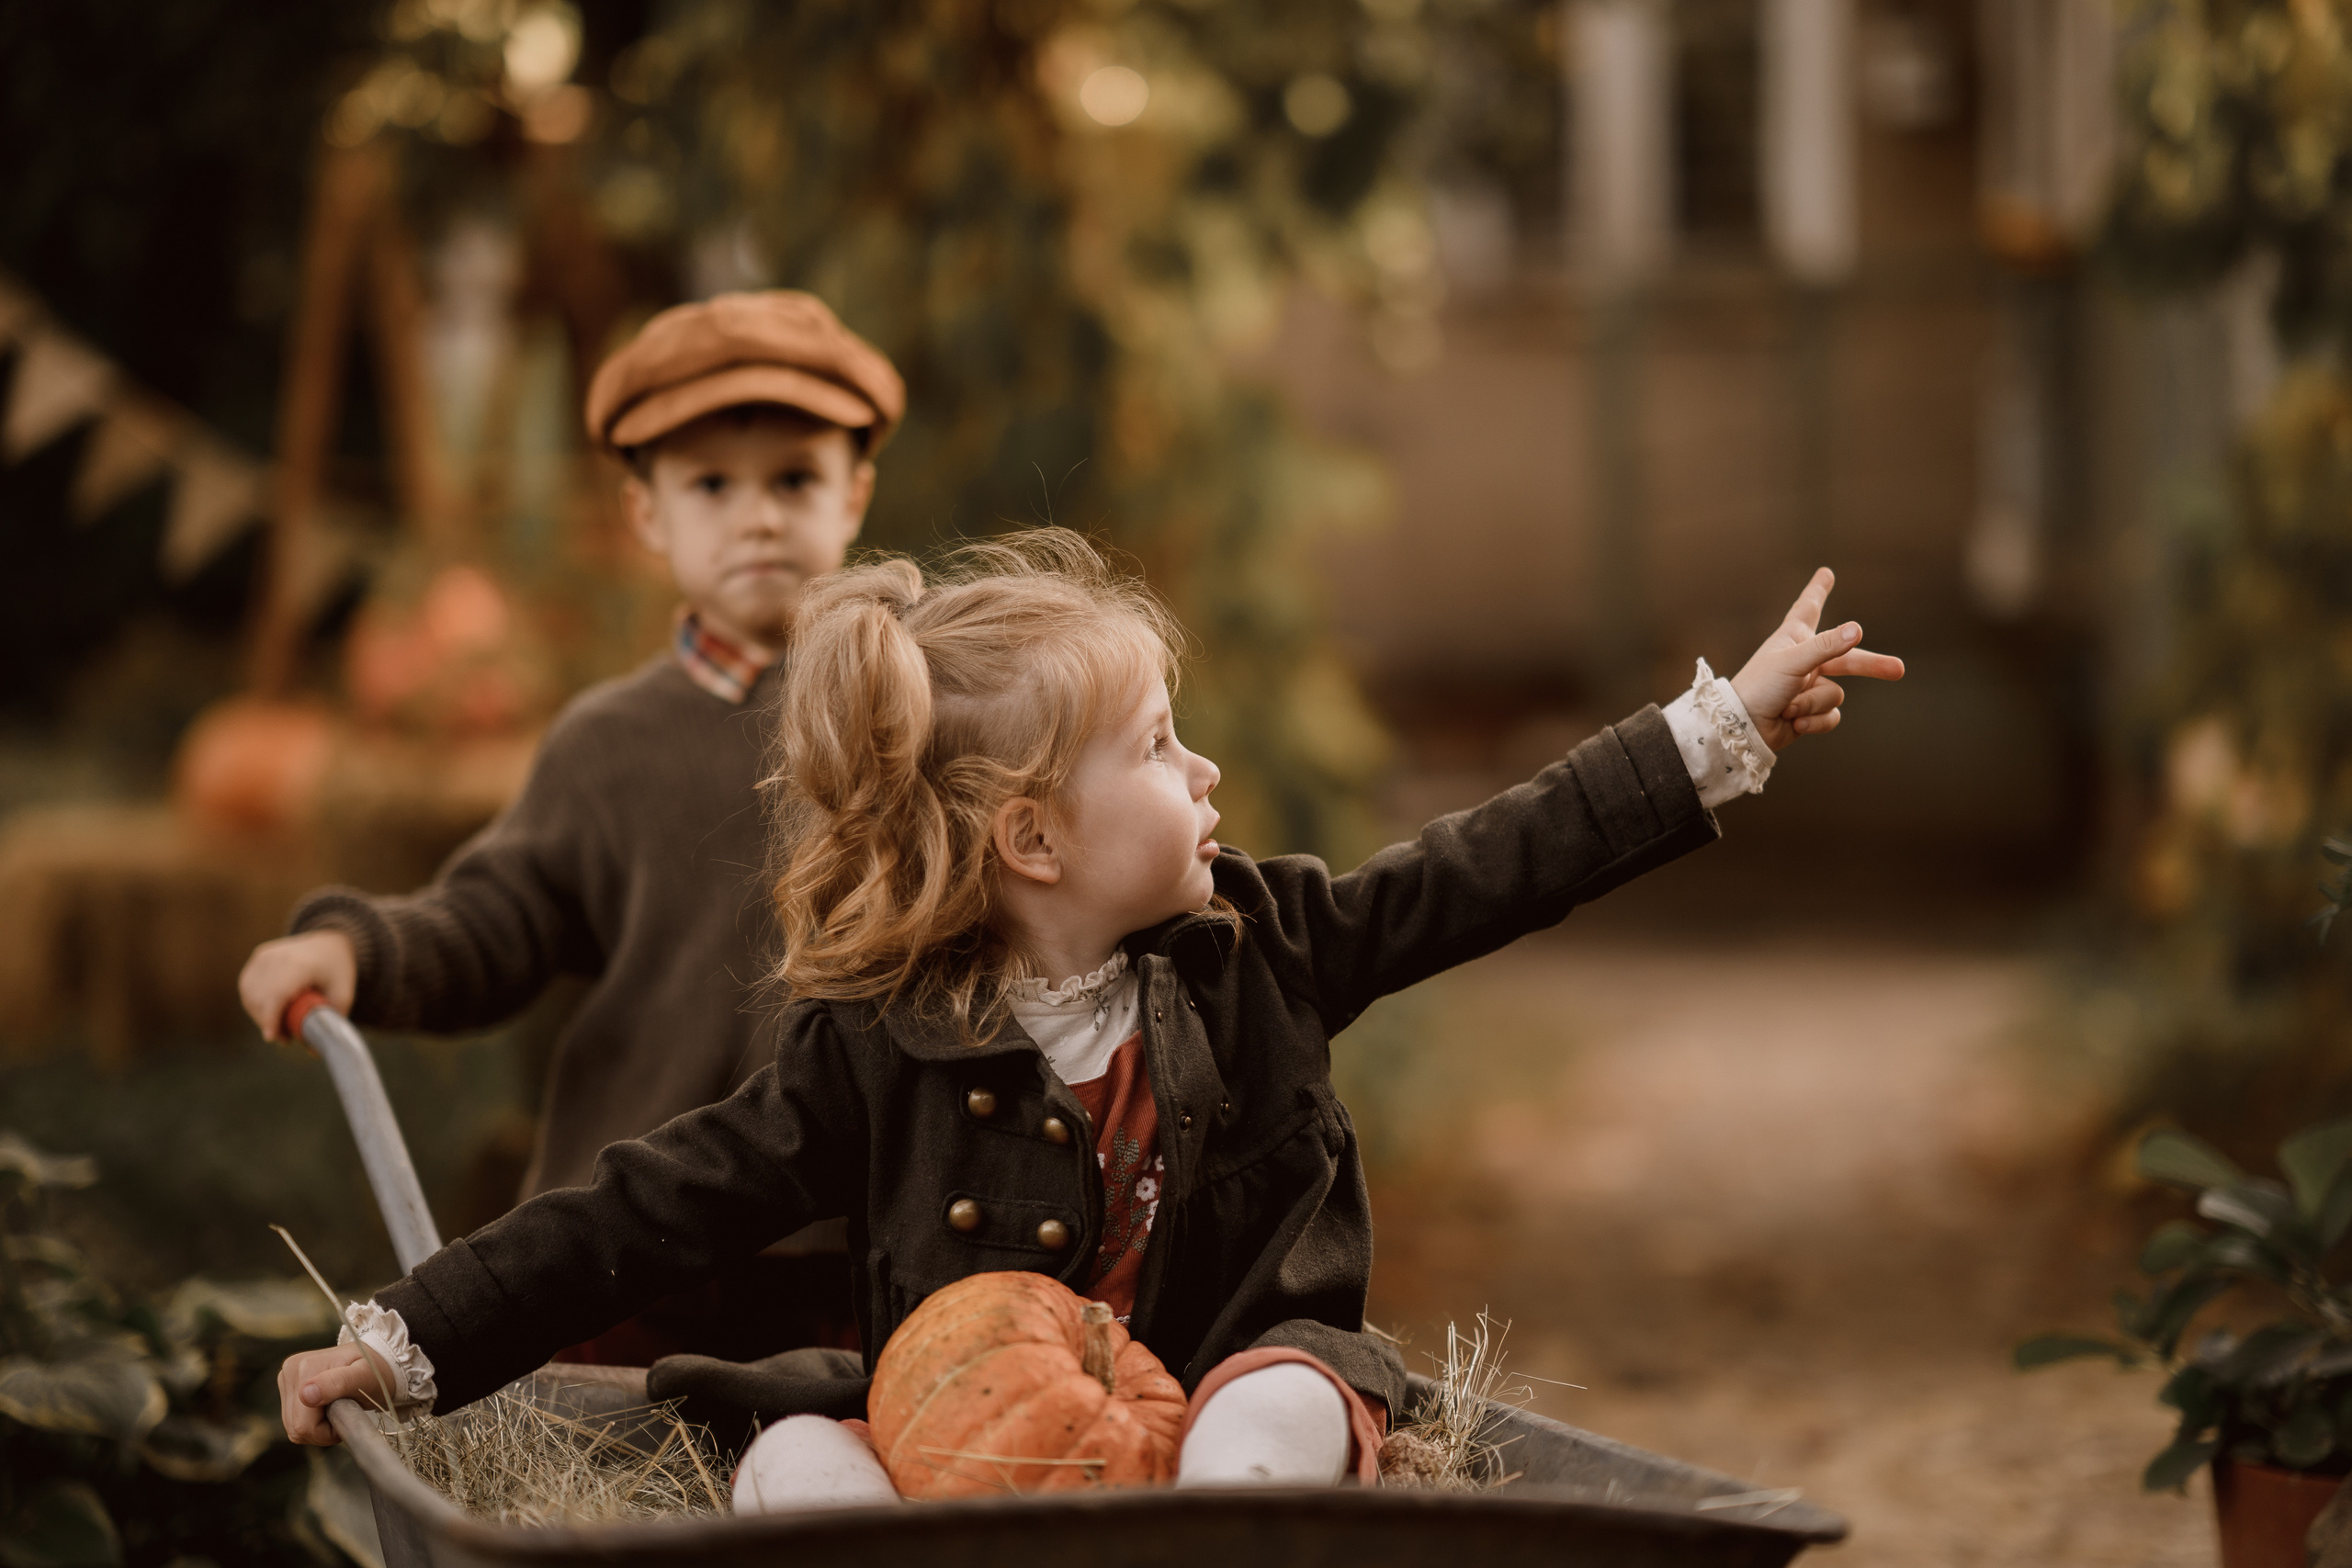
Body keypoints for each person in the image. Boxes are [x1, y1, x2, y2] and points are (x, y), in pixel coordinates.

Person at [275, 529, 1903, 1496]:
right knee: (793, 1457)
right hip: (972, 1450)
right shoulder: (875, 1045)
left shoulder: (1263, 950)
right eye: (1160, 746)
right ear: (1035, 838)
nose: (1205, 769)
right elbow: (646, 1202)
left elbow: (1483, 867)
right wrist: (405, 1337)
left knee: (1274, 1410)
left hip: (1222, 1395)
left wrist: (1715, 733)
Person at [238, 290, 904, 1363]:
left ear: (854, 493)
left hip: (863, 1222)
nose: (759, 517)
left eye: (794, 480)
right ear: (646, 514)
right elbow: (500, 913)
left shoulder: (914, 711)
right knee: (609, 1452)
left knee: (841, 1452)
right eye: (712, 486)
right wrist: (359, 949)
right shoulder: (608, 744)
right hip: (638, 1229)